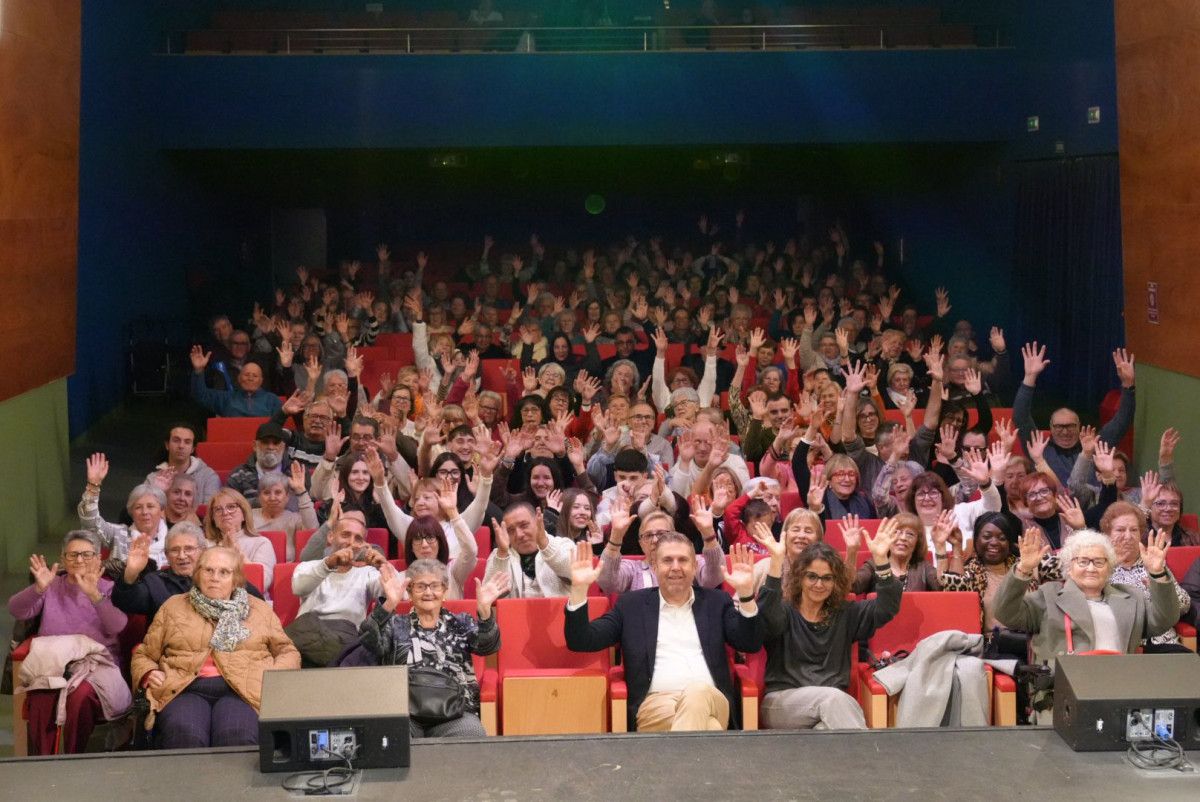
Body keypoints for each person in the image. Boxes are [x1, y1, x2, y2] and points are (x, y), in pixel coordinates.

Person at [565, 535, 765, 731]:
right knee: (710, 727)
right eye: (667, 560)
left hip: (713, 700)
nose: (675, 567)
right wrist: (579, 590)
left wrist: (746, 595)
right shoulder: (631, 606)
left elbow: (749, 643)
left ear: (695, 567)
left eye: (683, 560)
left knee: (697, 691)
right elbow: (582, 640)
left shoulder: (717, 602)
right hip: (656, 705)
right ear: (655, 567)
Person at [994, 528, 1181, 723]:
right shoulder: (1048, 595)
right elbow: (1005, 613)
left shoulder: (1130, 597)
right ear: (1069, 566)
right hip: (1060, 693)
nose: (1091, 568)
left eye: (1099, 562)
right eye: (1083, 561)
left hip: (1120, 689)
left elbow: (1163, 620)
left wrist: (1158, 574)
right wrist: (1023, 569)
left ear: (1108, 568)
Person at [131, 546, 300, 748]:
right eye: (208, 570)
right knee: (184, 735)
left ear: (235, 579)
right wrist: (148, 673)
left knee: (236, 736)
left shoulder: (258, 609)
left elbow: (287, 651)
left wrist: (272, 676)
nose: (214, 577)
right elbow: (144, 654)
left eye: (223, 572)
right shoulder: (173, 606)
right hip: (185, 687)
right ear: (197, 574)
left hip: (243, 689)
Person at [751, 519, 902, 730]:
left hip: (832, 707)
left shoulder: (846, 613)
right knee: (833, 699)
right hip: (782, 703)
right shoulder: (784, 611)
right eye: (811, 576)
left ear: (836, 581)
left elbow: (887, 607)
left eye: (827, 578)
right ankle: (873, 758)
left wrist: (881, 561)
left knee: (824, 731)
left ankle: (861, 760)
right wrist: (776, 563)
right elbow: (766, 617)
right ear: (799, 577)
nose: (819, 584)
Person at [9, 531, 132, 755]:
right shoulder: (51, 585)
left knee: (80, 696)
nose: (79, 560)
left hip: (95, 666)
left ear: (97, 558)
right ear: (63, 559)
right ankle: (44, 761)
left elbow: (118, 625)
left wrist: (94, 595)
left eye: (86, 554)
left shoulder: (108, 588)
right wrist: (38, 588)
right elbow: (16, 609)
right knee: (40, 696)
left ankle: (73, 756)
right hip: (53, 663)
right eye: (73, 555)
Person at [359, 560, 510, 738]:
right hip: (405, 714)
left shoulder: (460, 623)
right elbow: (368, 640)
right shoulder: (395, 624)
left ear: (445, 591)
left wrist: (485, 611)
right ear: (409, 592)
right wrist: (389, 604)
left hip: (453, 714)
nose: (428, 592)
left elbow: (488, 646)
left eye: (435, 586)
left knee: (472, 732)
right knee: (390, 735)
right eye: (420, 587)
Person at [1013, 343, 1135, 486]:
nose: (1065, 432)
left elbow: (1122, 421)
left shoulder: (1094, 448)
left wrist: (1128, 385)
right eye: (1059, 426)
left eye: (1070, 426)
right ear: (1051, 427)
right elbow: (1020, 417)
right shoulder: (1039, 449)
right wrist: (1029, 377)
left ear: (1079, 427)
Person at [289, 516, 387, 667]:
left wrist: (384, 567)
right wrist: (328, 564)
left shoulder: (367, 573)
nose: (351, 542)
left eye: (358, 539)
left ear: (363, 545)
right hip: (307, 639)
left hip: (346, 641)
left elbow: (396, 594)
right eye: (345, 535)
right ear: (330, 537)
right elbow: (298, 588)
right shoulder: (309, 566)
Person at [113, 524, 264, 619]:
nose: (182, 555)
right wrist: (131, 572)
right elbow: (125, 603)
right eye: (175, 550)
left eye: (189, 549)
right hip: (174, 655)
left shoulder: (221, 578)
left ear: (203, 551)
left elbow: (258, 604)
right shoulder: (155, 582)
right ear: (166, 555)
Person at [1099, 502, 1193, 653]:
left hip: (1164, 643)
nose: (1128, 536)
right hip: (1122, 646)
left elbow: (1184, 605)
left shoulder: (1152, 561)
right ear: (1107, 533)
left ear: (1141, 533)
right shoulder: (1099, 567)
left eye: (1134, 530)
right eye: (1120, 530)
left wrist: (1160, 587)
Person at [598, 503, 725, 593]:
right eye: (648, 535)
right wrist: (616, 536)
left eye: (661, 534)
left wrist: (709, 534)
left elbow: (715, 577)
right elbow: (607, 583)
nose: (655, 540)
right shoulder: (632, 568)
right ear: (641, 543)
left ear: (675, 536)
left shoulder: (689, 562)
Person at [78, 453, 169, 563]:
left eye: (150, 506)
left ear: (161, 509)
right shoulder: (118, 534)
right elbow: (91, 522)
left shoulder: (174, 540)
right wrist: (93, 485)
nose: (145, 512)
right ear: (131, 512)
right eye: (138, 507)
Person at [483, 503, 575, 598]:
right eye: (511, 530)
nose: (519, 535)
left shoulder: (563, 545)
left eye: (524, 525)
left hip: (560, 612)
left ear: (538, 521)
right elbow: (489, 597)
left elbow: (573, 573)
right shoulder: (499, 555)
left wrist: (545, 545)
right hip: (516, 612)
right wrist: (502, 554)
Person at [203, 488, 277, 592]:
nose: (225, 512)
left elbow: (263, 583)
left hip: (252, 602)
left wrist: (237, 551)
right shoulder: (204, 546)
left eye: (231, 507)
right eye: (218, 509)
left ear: (244, 514)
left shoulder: (261, 543)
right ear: (213, 519)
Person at [850, 512, 940, 593]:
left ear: (918, 542)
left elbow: (943, 589)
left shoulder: (923, 566)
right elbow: (851, 587)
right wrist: (852, 550)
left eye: (910, 534)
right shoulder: (873, 565)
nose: (903, 538)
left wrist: (941, 546)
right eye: (896, 532)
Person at [189, 346, 283, 418]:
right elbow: (200, 395)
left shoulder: (272, 400)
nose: (250, 378)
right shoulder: (226, 398)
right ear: (239, 378)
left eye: (255, 376)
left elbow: (282, 425)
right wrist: (198, 370)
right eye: (246, 375)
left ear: (261, 381)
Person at [226, 422, 302, 509]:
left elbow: (307, 504)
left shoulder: (297, 472)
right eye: (265, 442)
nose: (270, 447)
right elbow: (229, 507)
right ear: (255, 446)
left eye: (275, 443)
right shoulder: (239, 475)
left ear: (283, 447)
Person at [146, 424, 221, 505]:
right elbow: (145, 511)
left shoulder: (208, 477)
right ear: (167, 445)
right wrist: (159, 491)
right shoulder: (153, 478)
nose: (181, 446)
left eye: (187, 442)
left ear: (193, 448)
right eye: (176, 440)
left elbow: (211, 512)